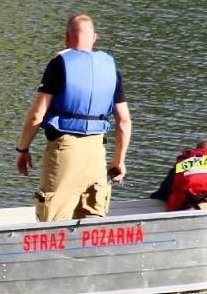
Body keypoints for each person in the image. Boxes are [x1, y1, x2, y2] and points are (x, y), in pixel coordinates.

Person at [15, 14, 132, 221]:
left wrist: (22, 149)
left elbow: (36, 115)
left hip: (65, 151)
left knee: (53, 222)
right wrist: (119, 161)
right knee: (92, 221)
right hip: (97, 153)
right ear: (95, 37)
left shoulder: (59, 64)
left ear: (66, 37)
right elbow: (123, 121)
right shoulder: (110, 67)